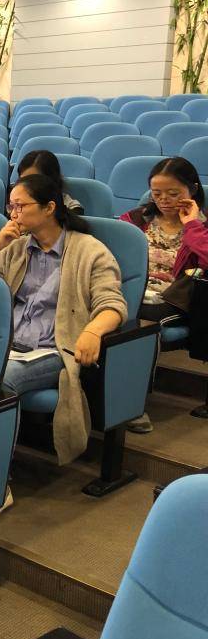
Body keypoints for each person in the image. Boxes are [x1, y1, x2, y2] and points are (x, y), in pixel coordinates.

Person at [0, 174, 126, 476]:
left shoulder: (89, 251)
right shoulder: (16, 248)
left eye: (20, 206)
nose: (13, 214)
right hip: (10, 344)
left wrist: (92, 331)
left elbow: (112, 305)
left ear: (49, 207)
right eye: (10, 207)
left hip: (54, 348)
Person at [120, 157, 208, 433]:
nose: (164, 201)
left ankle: (132, 404)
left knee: (140, 324)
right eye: (157, 194)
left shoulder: (202, 226)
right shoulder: (136, 219)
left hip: (175, 296)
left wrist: (192, 225)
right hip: (135, 290)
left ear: (192, 190)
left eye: (173, 193)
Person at [16, 150, 84, 214]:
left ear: (51, 180)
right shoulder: (13, 202)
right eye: (22, 180)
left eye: (33, 181)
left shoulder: (72, 208)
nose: (26, 185)